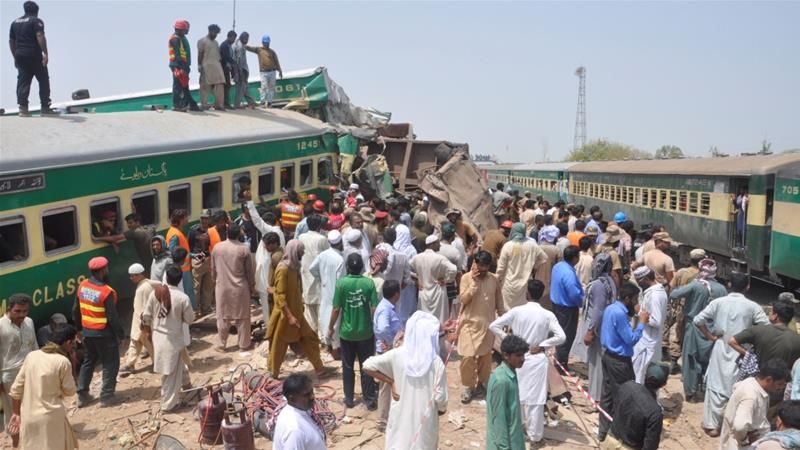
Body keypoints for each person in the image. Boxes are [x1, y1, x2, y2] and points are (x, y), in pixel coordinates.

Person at [489, 279, 565, 444]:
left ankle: (519, 430)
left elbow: (494, 326)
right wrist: (543, 345)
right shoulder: (547, 314)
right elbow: (561, 337)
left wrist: (510, 340)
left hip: (518, 358)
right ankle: (535, 437)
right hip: (537, 360)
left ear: (527, 293)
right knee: (536, 400)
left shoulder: (517, 311)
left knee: (519, 396)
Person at [693, 272, 769, 436]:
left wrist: (711, 337)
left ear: (729, 284)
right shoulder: (753, 306)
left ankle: (712, 425)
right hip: (741, 351)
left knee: (715, 385)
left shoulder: (718, 303)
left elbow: (698, 320)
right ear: (747, 287)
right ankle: (733, 424)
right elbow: (766, 326)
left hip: (721, 348)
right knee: (737, 386)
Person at [363, 311, 448, 450]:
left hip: (399, 423)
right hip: (425, 426)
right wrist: (437, 410)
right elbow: (441, 401)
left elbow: (367, 365)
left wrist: (391, 381)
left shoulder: (398, 354)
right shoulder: (436, 363)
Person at [6, 324, 78, 450]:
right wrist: (72, 363)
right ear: (68, 342)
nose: (73, 346)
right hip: (51, 419)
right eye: (73, 343)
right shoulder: (62, 362)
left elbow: (15, 390)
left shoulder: (32, 356)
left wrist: (16, 414)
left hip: (29, 418)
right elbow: (70, 391)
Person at [670, 258, 727, 402]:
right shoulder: (721, 289)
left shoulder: (696, 286)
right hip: (712, 329)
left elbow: (674, 294)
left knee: (690, 358)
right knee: (708, 359)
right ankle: (706, 388)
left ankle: (691, 393)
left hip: (694, 327)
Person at [267, 240, 327, 378]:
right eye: (301, 251)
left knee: (310, 339)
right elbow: (280, 296)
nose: (303, 253)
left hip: (297, 314)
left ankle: (319, 368)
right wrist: (289, 317)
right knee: (278, 346)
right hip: (285, 317)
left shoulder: (294, 267)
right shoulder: (283, 269)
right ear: (295, 251)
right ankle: (273, 373)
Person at [328, 253, 379, 409]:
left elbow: (336, 309)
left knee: (348, 366)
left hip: (347, 333)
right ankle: (370, 400)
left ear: (348, 267)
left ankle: (349, 399)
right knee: (367, 366)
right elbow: (374, 308)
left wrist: (331, 327)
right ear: (362, 267)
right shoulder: (369, 283)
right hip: (365, 332)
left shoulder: (341, 284)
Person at [598, 282, 648, 442]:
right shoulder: (619, 314)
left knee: (607, 395)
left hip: (608, 356)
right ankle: (619, 432)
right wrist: (642, 323)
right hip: (620, 362)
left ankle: (603, 431)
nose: (636, 303)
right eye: (634, 299)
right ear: (627, 298)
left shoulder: (611, 308)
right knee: (624, 396)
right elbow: (631, 339)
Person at [141, 266, 194, 412]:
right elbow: (190, 319)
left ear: (166, 277)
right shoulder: (182, 298)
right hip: (173, 338)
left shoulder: (155, 293)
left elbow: (146, 316)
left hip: (158, 336)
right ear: (179, 280)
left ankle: (186, 383)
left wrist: (147, 332)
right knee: (169, 372)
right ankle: (168, 405)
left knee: (178, 363)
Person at [73, 256, 124, 407]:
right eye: (106, 268)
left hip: (88, 332)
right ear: (103, 270)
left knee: (89, 361)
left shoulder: (82, 285)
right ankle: (107, 396)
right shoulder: (106, 292)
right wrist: (120, 335)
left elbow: (75, 310)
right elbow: (113, 317)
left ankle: (82, 395)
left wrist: (78, 329)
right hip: (104, 333)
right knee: (111, 362)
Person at [457, 251, 505, 404]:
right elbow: (463, 299)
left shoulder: (494, 279)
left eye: (486, 266)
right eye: (480, 265)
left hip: (487, 325)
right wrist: (474, 284)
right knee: (467, 357)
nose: (483, 269)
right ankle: (468, 386)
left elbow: (499, 301)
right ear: (475, 264)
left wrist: (503, 320)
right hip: (469, 325)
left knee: (485, 357)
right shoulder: (466, 278)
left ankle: (482, 384)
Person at [571, 252, 617, 407]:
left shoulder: (598, 285)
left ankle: (595, 399)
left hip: (598, 329)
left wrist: (590, 330)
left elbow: (597, 309)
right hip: (605, 328)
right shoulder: (609, 281)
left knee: (596, 364)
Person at [720, 359, 790, 450]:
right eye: (779, 384)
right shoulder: (751, 396)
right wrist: (744, 440)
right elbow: (739, 426)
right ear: (769, 380)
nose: (780, 388)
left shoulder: (751, 383)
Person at [729, 300, 800, 389]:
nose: (769, 313)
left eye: (771, 311)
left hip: (757, 383)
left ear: (775, 316)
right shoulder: (797, 339)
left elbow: (732, 341)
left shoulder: (758, 330)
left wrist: (748, 354)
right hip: (779, 387)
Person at [601, 362, 669, 450]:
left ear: (645, 376)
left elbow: (613, 409)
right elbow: (650, 445)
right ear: (663, 384)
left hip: (610, 441)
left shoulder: (627, 386)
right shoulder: (655, 412)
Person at [211, 224, 255, 351]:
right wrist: (252, 286)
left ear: (226, 233)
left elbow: (213, 270)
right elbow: (249, 272)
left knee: (223, 317)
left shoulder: (217, 248)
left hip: (222, 287)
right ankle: (244, 344)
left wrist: (216, 282)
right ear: (239, 234)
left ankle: (221, 344)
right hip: (240, 288)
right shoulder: (244, 249)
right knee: (243, 318)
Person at [0, 294, 37, 444]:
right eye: (18, 311)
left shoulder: (29, 322)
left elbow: (34, 346)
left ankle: (32, 441)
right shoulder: (1, 326)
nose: (22, 315)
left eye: (25, 311)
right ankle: (16, 443)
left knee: (32, 407)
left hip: (30, 371)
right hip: (10, 375)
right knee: (12, 412)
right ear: (9, 309)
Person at [410, 234, 458, 350]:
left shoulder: (417, 257)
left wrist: (417, 278)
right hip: (438, 293)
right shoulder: (439, 258)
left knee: (424, 321)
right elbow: (453, 269)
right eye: (437, 244)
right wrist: (447, 280)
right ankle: (438, 348)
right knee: (440, 322)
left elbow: (408, 268)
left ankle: (424, 347)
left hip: (423, 293)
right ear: (432, 244)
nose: (439, 246)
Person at [9, 1, 55, 116]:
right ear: (36, 11)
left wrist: (15, 56)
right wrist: (45, 53)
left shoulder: (14, 22)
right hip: (34, 55)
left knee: (23, 81)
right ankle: (45, 108)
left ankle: (23, 109)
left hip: (20, 55)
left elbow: (11, 41)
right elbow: (40, 35)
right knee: (43, 79)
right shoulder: (36, 21)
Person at [665, 248, 707, 367]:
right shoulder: (702, 276)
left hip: (680, 308)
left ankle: (673, 360)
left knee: (678, 333)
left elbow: (672, 287)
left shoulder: (681, 272)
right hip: (696, 308)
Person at [485, 335, 529, 450]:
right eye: (518, 355)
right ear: (506, 355)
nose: (523, 359)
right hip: (504, 445)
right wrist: (504, 447)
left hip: (514, 439)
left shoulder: (510, 375)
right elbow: (498, 418)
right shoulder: (501, 380)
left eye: (523, 355)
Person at [373, 280, 404, 429]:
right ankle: (382, 421)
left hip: (389, 351)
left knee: (391, 384)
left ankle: (388, 417)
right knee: (386, 386)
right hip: (387, 352)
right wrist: (391, 342)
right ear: (396, 294)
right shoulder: (385, 309)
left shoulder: (388, 306)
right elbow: (382, 328)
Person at [496, 223, 548, 310]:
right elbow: (544, 258)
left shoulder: (508, 246)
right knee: (522, 310)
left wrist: (497, 280)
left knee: (507, 310)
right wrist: (534, 267)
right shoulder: (532, 245)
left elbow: (501, 268)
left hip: (509, 284)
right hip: (525, 284)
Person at [550, 245, 585, 371]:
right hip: (567, 308)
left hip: (556, 304)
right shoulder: (569, 273)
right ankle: (561, 364)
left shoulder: (558, 266)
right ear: (575, 258)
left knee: (559, 332)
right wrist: (581, 303)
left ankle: (559, 357)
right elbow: (574, 293)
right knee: (567, 335)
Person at [310, 230, 346, 351]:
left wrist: (321, 279)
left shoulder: (323, 255)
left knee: (325, 316)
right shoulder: (340, 259)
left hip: (325, 291)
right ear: (340, 242)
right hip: (336, 293)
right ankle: (335, 347)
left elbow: (312, 268)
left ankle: (326, 342)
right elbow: (341, 282)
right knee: (336, 319)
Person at [632, 267, 668, 384]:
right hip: (647, 340)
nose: (639, 285)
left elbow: (656, 321)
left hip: (647, 343)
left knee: (640, 376)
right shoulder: (654, 292)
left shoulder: (655, 296)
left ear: (646, 279)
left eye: (639, 282)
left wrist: (639, 313)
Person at [272, 374, 327, 450]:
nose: (312, 397)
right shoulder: (294, 431)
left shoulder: (302, 409)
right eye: (306, 395)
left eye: (312, 392)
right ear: (292, 399)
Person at [120, 264, 157, 376]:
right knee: (136, 342)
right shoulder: (144, 285)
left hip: (142, 323)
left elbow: (145, 307)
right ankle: (130, 365)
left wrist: (145, 324)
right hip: (139, 322)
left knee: (148, 344)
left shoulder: (144, 288)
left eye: (133, 276)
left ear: (140, 275)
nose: (131, 278)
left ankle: (157, 363)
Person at [299, 214, 330, 334]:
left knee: (308, 306)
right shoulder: (322, 239)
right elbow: (328, 256)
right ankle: (321, 337)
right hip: (319, 276)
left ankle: (311, 335)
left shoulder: (301, 237)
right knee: (320, 308)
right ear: (319, 225)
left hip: (306, 273)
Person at [165, 209, 195, 308]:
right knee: (186, 292)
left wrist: (193, 255)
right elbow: (172, 253)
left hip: (183, 268)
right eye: (186, 217)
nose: (187, 219)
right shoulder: (175, 234)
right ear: (181, 219)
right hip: (182, 270)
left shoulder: (175, 232)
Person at [168, 19, 199, 112]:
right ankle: (177, 105)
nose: (185, 31)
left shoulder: (180, 38)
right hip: (177, 65)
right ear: (178, 30)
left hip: (182, 65)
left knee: (184, 86)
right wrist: (182, 68)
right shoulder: (175, 39)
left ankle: (190, 104)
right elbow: (178, 55)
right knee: (177, 86)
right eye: (184, 30)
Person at [189, 209, 214, 316]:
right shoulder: (194, 230)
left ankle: (206, 308)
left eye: (206, 218)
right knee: (196, 287)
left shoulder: (213, 230)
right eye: (202, 218)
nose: (204, 221)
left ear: (210, 219)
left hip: (210, 260)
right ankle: (195, 309)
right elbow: (189, 244)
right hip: (198, 261)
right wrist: (194, 257)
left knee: (208, 286)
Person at [246, 34, 283, 106]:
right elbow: (250, 48)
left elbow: (277, 61)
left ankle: (269, 102)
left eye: (268, 43)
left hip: (272, 72)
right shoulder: (259, 50)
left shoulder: (272, 52)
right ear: (263, 42)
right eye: (265, 43)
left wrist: (280, 71)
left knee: (271, 87)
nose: (267, 44)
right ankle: (262, 102)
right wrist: (243, 45)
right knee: (264, 87)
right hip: (263, 72)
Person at [197, 24, 226, 110]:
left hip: (217, 66)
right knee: (204, 86)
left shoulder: (216, 43)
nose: (216, 35)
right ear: (210, 31)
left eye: (217, 33)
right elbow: (200, 54)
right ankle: (204, 104)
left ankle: (219, 105)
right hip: (206, 66)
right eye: (215, 32)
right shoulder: (202, 41)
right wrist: (199, 65)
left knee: (220, 85)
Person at [255, 232, 282, 323]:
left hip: (273, 289)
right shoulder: (274, 253)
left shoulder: (276, 257)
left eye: (267, 245)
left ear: (274, 244)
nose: (265, 247)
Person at [231, 31, 256, 107]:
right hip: (241, 70)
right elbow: (239, 60)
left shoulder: (237, 43)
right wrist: (240, 72)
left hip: (240, 70)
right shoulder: (240, 46)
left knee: (245, 87)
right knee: (240, 88)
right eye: (245, 38)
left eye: (247, 39)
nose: (247, 40)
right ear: (241, 37)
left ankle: (251, 102)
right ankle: (237, 104)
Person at [218, 30, 236, 109]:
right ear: (229, 37)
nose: (234, 40)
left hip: (227, 69)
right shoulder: (224, 45)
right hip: (223, 68)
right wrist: (234, 62)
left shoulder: (229, 46)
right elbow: (226, 57)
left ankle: (226, 102)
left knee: (227, 85)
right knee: (225, 86)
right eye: (233, 38)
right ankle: (225, 103)